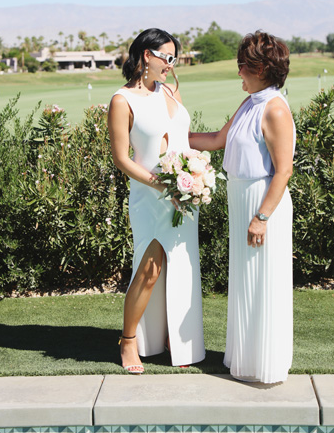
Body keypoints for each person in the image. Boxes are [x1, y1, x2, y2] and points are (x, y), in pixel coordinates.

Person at [190, 30, 295, 383]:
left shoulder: (275, 108)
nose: (238, 72)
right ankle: (245, 359)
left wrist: (262, 218)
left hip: (262, 203)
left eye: (242, 66)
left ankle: (264, 364)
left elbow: (284, 171)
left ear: (261, 68)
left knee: (262, 282)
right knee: (245, 281)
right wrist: (174, 135)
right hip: (241, 199)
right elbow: (218, 140)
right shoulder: (250, 102)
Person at [108, 28, 205, 374]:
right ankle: (128, 342)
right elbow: (122, 158)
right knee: (149, 270)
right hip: (150, 198)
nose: (171, 64)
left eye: (174, 58)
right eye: (167, 57)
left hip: (184, 195)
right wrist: (162, 185)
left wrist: (195, 176)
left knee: (180, 266)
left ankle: (172, 340)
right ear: (146, 56)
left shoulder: (172, 91)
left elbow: (182, 138)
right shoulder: (122, 100)